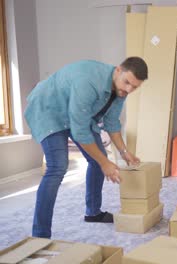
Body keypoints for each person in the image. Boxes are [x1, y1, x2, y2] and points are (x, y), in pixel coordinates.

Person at [24, 57, 147, 238]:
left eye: (134, 87)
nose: (128, 89)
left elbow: (112, 122)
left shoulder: (120, 90)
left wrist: (124, 152)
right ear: (118, 70)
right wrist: (105, 163)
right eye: (127, 82)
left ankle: (93, 212)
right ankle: (40, 235)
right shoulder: (88, 81)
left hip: (76, 113)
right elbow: (80, 131)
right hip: (49, 108)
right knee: (57, 167)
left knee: (98, 159)